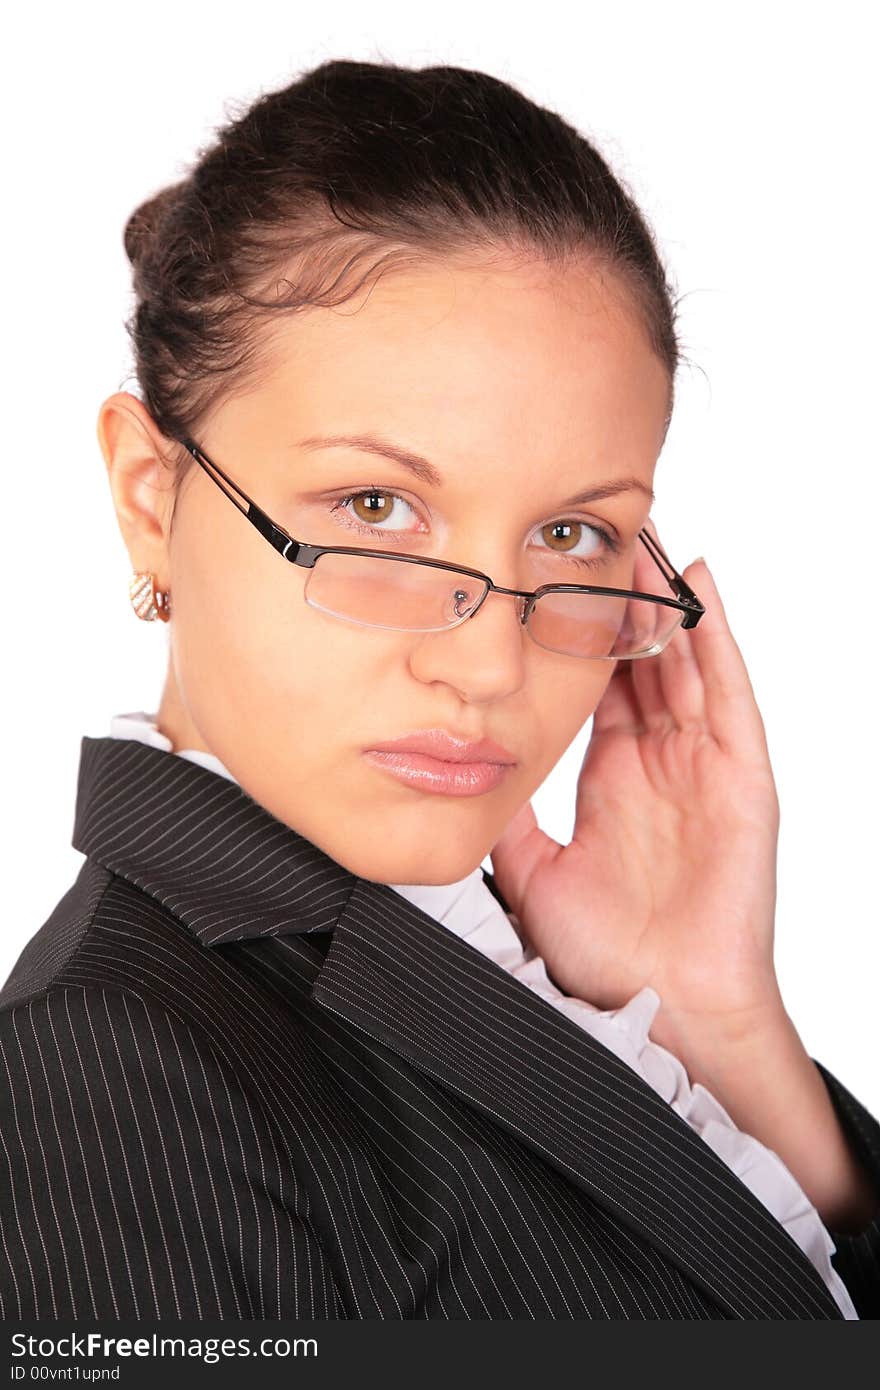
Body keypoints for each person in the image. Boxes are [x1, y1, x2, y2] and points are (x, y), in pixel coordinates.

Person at [0, 58, 878, 1323]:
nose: (489, 661)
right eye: (377, 508)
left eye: (573, 536)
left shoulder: (522, 967)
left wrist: (715, 1024)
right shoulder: (99, 1080)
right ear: (151, 496)